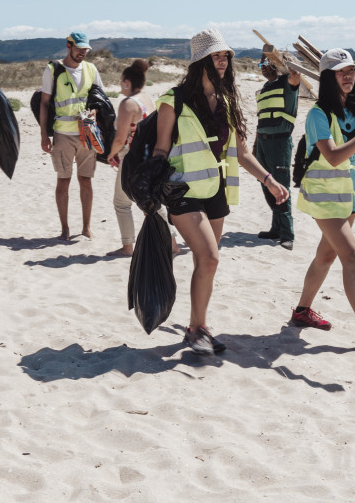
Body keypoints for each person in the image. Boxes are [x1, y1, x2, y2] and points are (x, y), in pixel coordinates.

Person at [153, 29, 288, 355]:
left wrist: (268, 179)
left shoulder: (227, 102)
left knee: (207, 262)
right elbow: (159, 151)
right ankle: (198, 329)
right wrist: (152, 201)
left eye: (226, 55)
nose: (223, 61)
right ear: (200, 60)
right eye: (216, 55)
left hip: (215, 191)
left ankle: (196, 328)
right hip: (182, 190)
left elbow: (241, 153)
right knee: (210, 257)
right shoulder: (174, 101)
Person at [293, 48, 355, 351]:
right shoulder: (317, 115)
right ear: (327, 77)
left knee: (326, 256)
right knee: (352, 257)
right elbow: (334, 157)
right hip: (324, 198)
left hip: (348, 197)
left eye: (351, 70)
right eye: (341, 71)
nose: (348, 76)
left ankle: (301, 311)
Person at [104, 59, 179, 257]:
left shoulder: (127, 104)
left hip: (131, 157)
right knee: (151, 200)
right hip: (148, 155)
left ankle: (128, 246)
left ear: (127, 82)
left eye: (122, 81)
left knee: (121, 202)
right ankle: (172, 241)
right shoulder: (147, 99)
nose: (120, 85)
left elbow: (120, 138)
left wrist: (111, 154)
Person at [39, 32, 105, 240]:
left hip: (86, 133)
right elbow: (44, 103)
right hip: (62, 134)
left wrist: (95, 111)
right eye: (79, 49)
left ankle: (86, 228)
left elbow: (99, 99)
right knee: (63, 181)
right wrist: (44, 135)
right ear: (68, 46)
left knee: (86, 180)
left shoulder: (91, 69)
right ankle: (65, 229)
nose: (82, 53)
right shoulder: (53, 70)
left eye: (85, 50)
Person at [253, 53, 301, 249]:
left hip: (279, 142)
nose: (263, 67)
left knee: (281, 186)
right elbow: (261, 119)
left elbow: (296, 74)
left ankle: (287, 232)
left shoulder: (286, 82)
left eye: (266, 63)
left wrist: (283, 59)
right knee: (266, 184)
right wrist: (256, 145)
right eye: (260, 64)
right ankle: (276, 227)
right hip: (263, 142)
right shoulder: (265, 88)